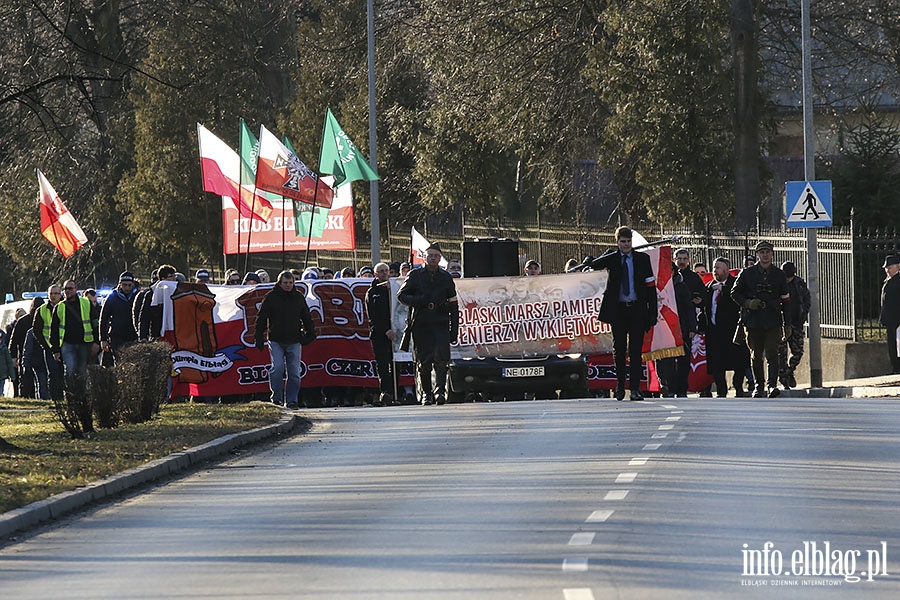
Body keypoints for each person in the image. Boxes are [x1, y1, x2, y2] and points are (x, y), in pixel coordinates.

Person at [590, 226, 658, 401]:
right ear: (617, 242)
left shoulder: (642, 259)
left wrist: (652, 312)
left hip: (637, 309)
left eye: (628, 241)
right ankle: (620, 386)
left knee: (635, 350)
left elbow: (651, 288)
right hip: (618, 310)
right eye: (623, 241)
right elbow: (594, 265)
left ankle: (635, 389)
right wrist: (592, 259)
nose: (626, 244)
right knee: (619, 349)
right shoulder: (612, 259)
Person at [397, 243, 459, 405]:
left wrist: (454, 329)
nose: (433, 258)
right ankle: (427, 393)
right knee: (424, 362)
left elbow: (454, 304)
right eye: (430, 255)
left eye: (436, 256)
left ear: (440, 258)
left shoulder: (445, 277)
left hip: (440, 322)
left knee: (442, 360)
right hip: (421, 323)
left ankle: (439, 392)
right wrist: (420, 301)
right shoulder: (415, 275)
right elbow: (402, 296)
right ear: (424, 257)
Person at [731, 241, 791, 398]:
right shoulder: (747, 273)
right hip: (753, 320)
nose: (765, 255)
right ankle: (759, 385)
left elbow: (786, 299)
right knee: (756, 354)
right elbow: (734, 293)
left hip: (773, 319)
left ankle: (772, 385)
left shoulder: (779, 275)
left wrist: (788, 323)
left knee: (772, 353)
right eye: (762, 252)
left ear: (772, 254)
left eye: (768, 252)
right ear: (757, 254)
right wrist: (747, 303)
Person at [255, 270, 316, 409]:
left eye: (290, 282)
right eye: (285, 283)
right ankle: (276, 397)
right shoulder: (271, 297)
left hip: (294, 340)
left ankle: (292, 400)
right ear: (279, 283)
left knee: (294, 371)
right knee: (277, 367)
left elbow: (306, 316)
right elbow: (261, 318)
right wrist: (258, 337)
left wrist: (310, 333)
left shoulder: (298, 297)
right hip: (276, 339)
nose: (288, 285)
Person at [703, 257, 748, 397]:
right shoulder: (709, 287)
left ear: (727, 270)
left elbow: (739, 300)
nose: (715, 270)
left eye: (718, 267)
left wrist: (724, 289)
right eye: (714, 267)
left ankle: (738, 386)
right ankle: (721, 389)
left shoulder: (735, 285)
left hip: (732, 330)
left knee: (738, 360)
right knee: (716, 362)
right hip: (715, 331)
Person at [365, 262, 398, 406]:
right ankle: (386, 392)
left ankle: (397, 393)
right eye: (381, 271)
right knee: (383, 365)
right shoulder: (372, 292)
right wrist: (386, 330)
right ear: (376, 274)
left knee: (396, 365)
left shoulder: (395, 289)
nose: (385, 273)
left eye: (387, 271)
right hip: (379, 334)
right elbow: (373, 316)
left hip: (396, 333)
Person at [778, 261, 811, 389]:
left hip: (796, 322)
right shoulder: (777, 283)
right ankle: (783, 379)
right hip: (780, 324)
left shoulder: (799, 284)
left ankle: (789, 371)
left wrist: (803, 313)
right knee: (781, 353)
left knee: (798, 352)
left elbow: (807, 299)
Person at [32, 284, 65, 401]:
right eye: (51, 293)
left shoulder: (66, 307)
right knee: (53, 374)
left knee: (67, 374)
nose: (53, 296)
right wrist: (45, 345)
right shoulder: (41, 310)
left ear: (61, 295)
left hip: (66, 346)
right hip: (49, 348)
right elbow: (36, 330)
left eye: (56, 293)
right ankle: (56, 400)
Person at [99, 271, 139, 363]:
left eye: (129, 285)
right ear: (120, 284)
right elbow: (104, 318)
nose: (127, 288)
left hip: (134, 336)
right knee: (120, 363)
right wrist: (103, 339)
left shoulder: (138, 296)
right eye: (124, 285)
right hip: (117, 337)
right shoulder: (112, 297)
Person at [880, 254, 900, 374]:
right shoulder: (889, 281)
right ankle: (895, 367)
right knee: (892, 345)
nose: (887, 270)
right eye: (886, 268)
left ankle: (897, 368)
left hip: (896, 319)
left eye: (890, 267)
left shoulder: (897, 281)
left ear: (898, 267)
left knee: (896, 345)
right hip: (890, 319)